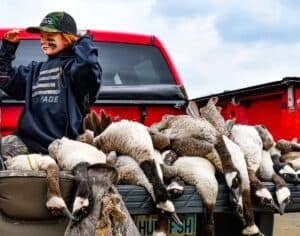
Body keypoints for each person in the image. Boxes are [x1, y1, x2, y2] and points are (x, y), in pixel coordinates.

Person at [0, 11, 102, 169]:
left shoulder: (75, 70)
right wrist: (8, 49)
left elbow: (88, 64)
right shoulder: (34, 70)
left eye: (50, 37)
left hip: (61, 146)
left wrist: (82, 40)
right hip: (27, 141)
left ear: (67, 38)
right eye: (41, 37)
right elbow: (4, 78)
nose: (43, 42)